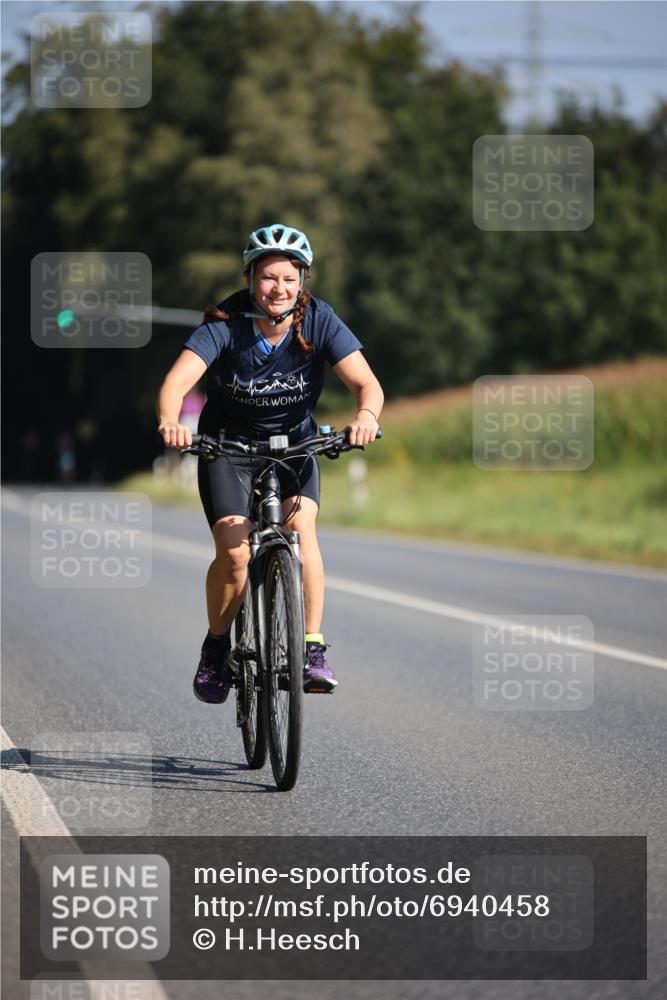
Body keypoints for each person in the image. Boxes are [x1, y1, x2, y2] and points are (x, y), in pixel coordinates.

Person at [157, 223, 383, 704]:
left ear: (302, 280)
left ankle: (312, 649)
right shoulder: (224, 323)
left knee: (303, 533)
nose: (279, 288)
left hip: (295, 447)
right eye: (268, 277)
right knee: (236, 554)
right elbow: (176, 383)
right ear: (250, 277)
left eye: (289, 277)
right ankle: (217, 648)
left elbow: (368, 386)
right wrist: (170, 420)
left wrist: (365, 416)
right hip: (229, 449)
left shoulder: (319, 320)